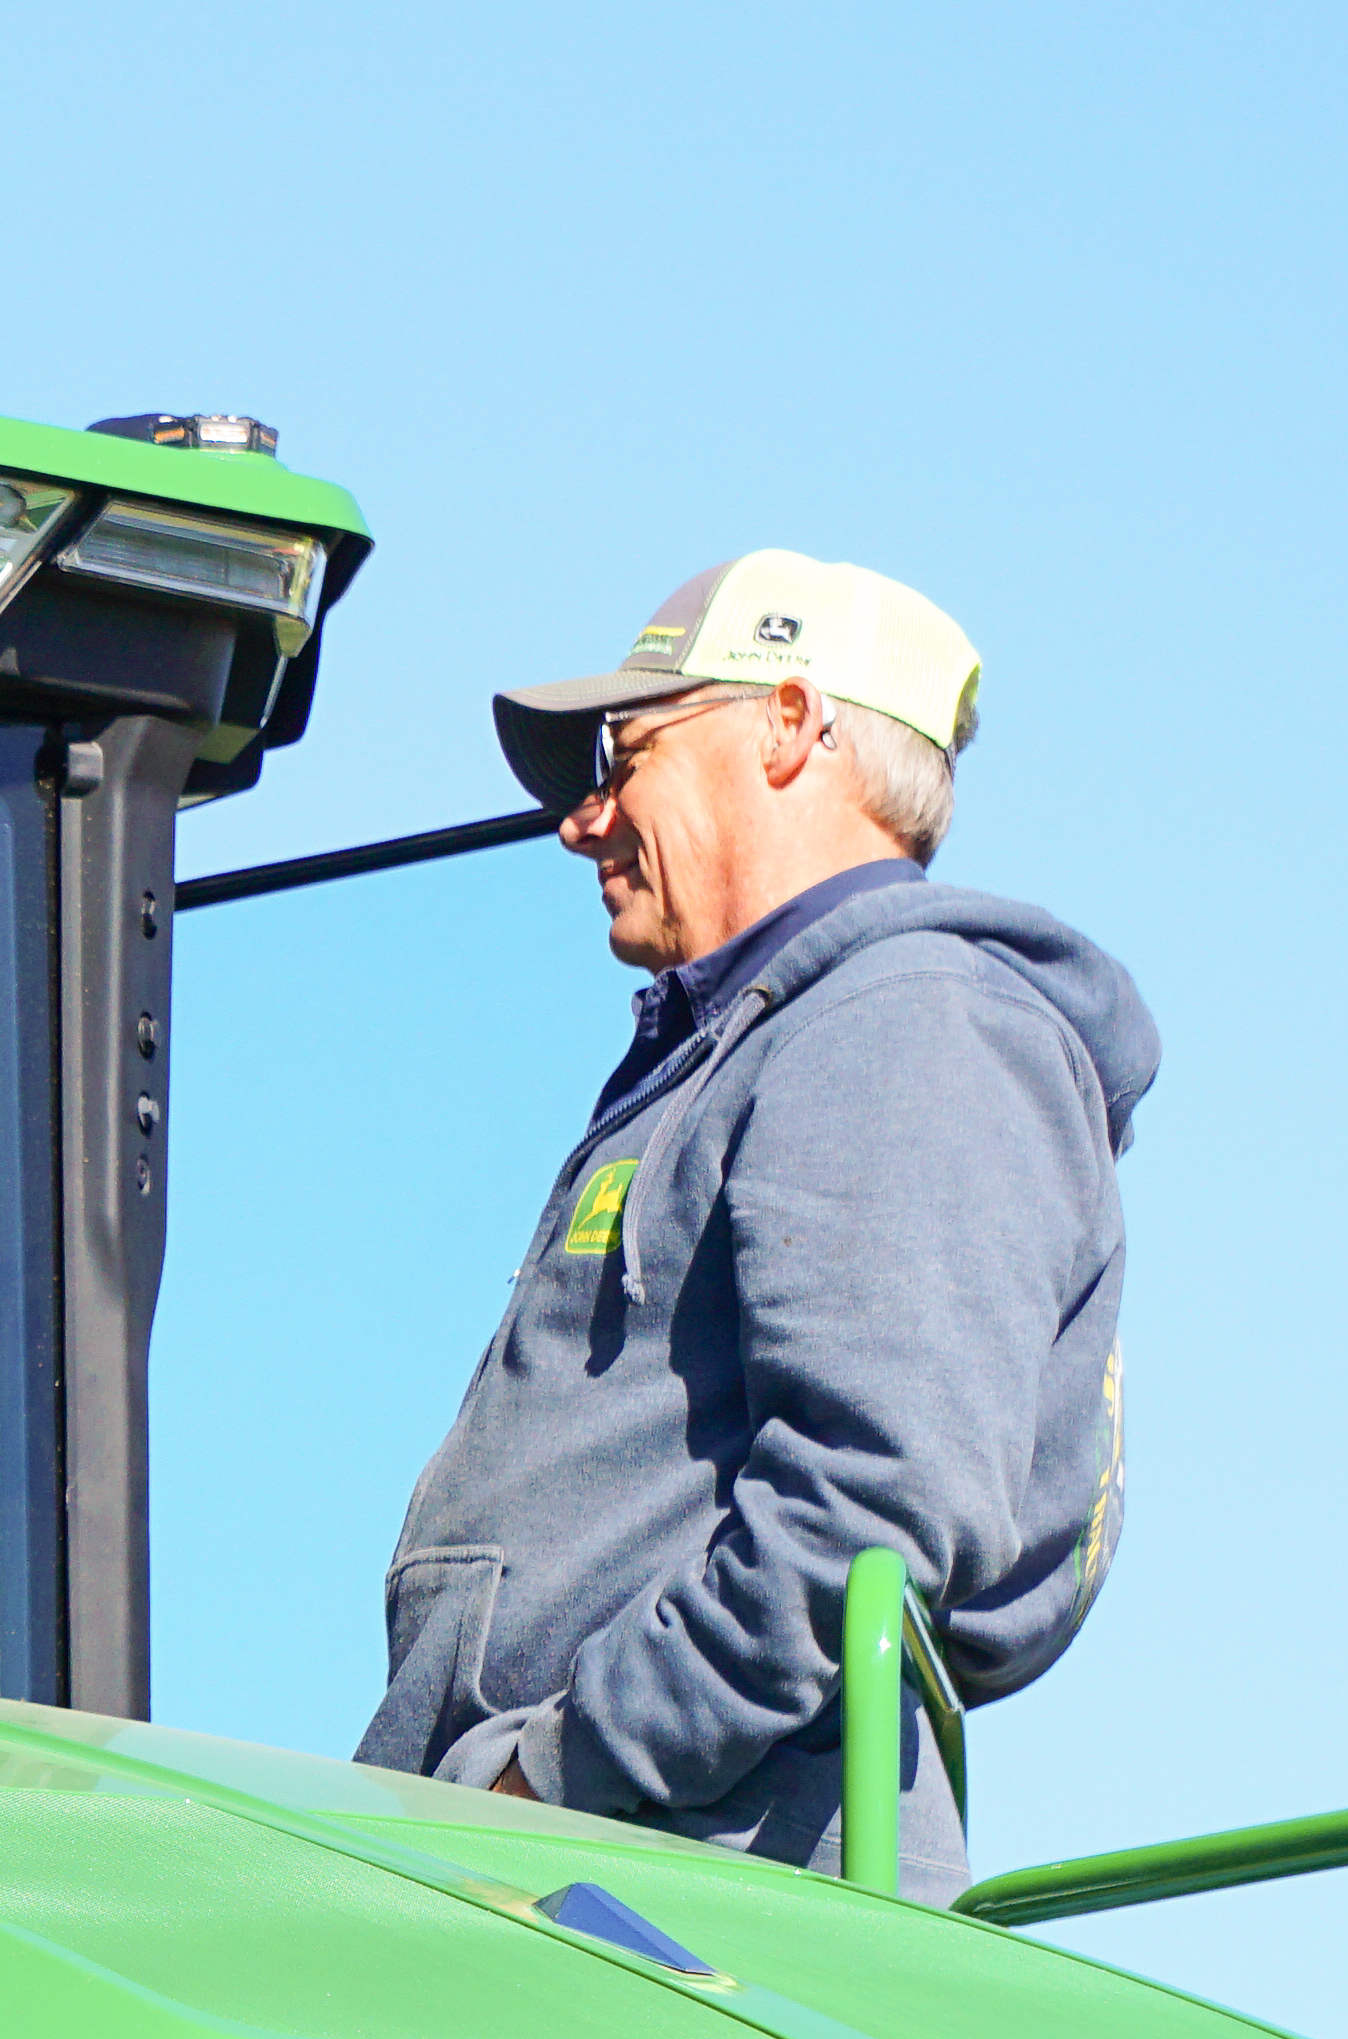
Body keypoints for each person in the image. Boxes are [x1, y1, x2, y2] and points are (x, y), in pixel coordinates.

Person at [357, 553, 1158, 1897]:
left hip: (676, 1900)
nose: (582, 820)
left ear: (792, 725)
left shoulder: (906, 1026)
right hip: (587, 1875)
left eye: (623, 755)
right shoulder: (764, 1045)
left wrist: (549, 1778)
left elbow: (871, 1512)